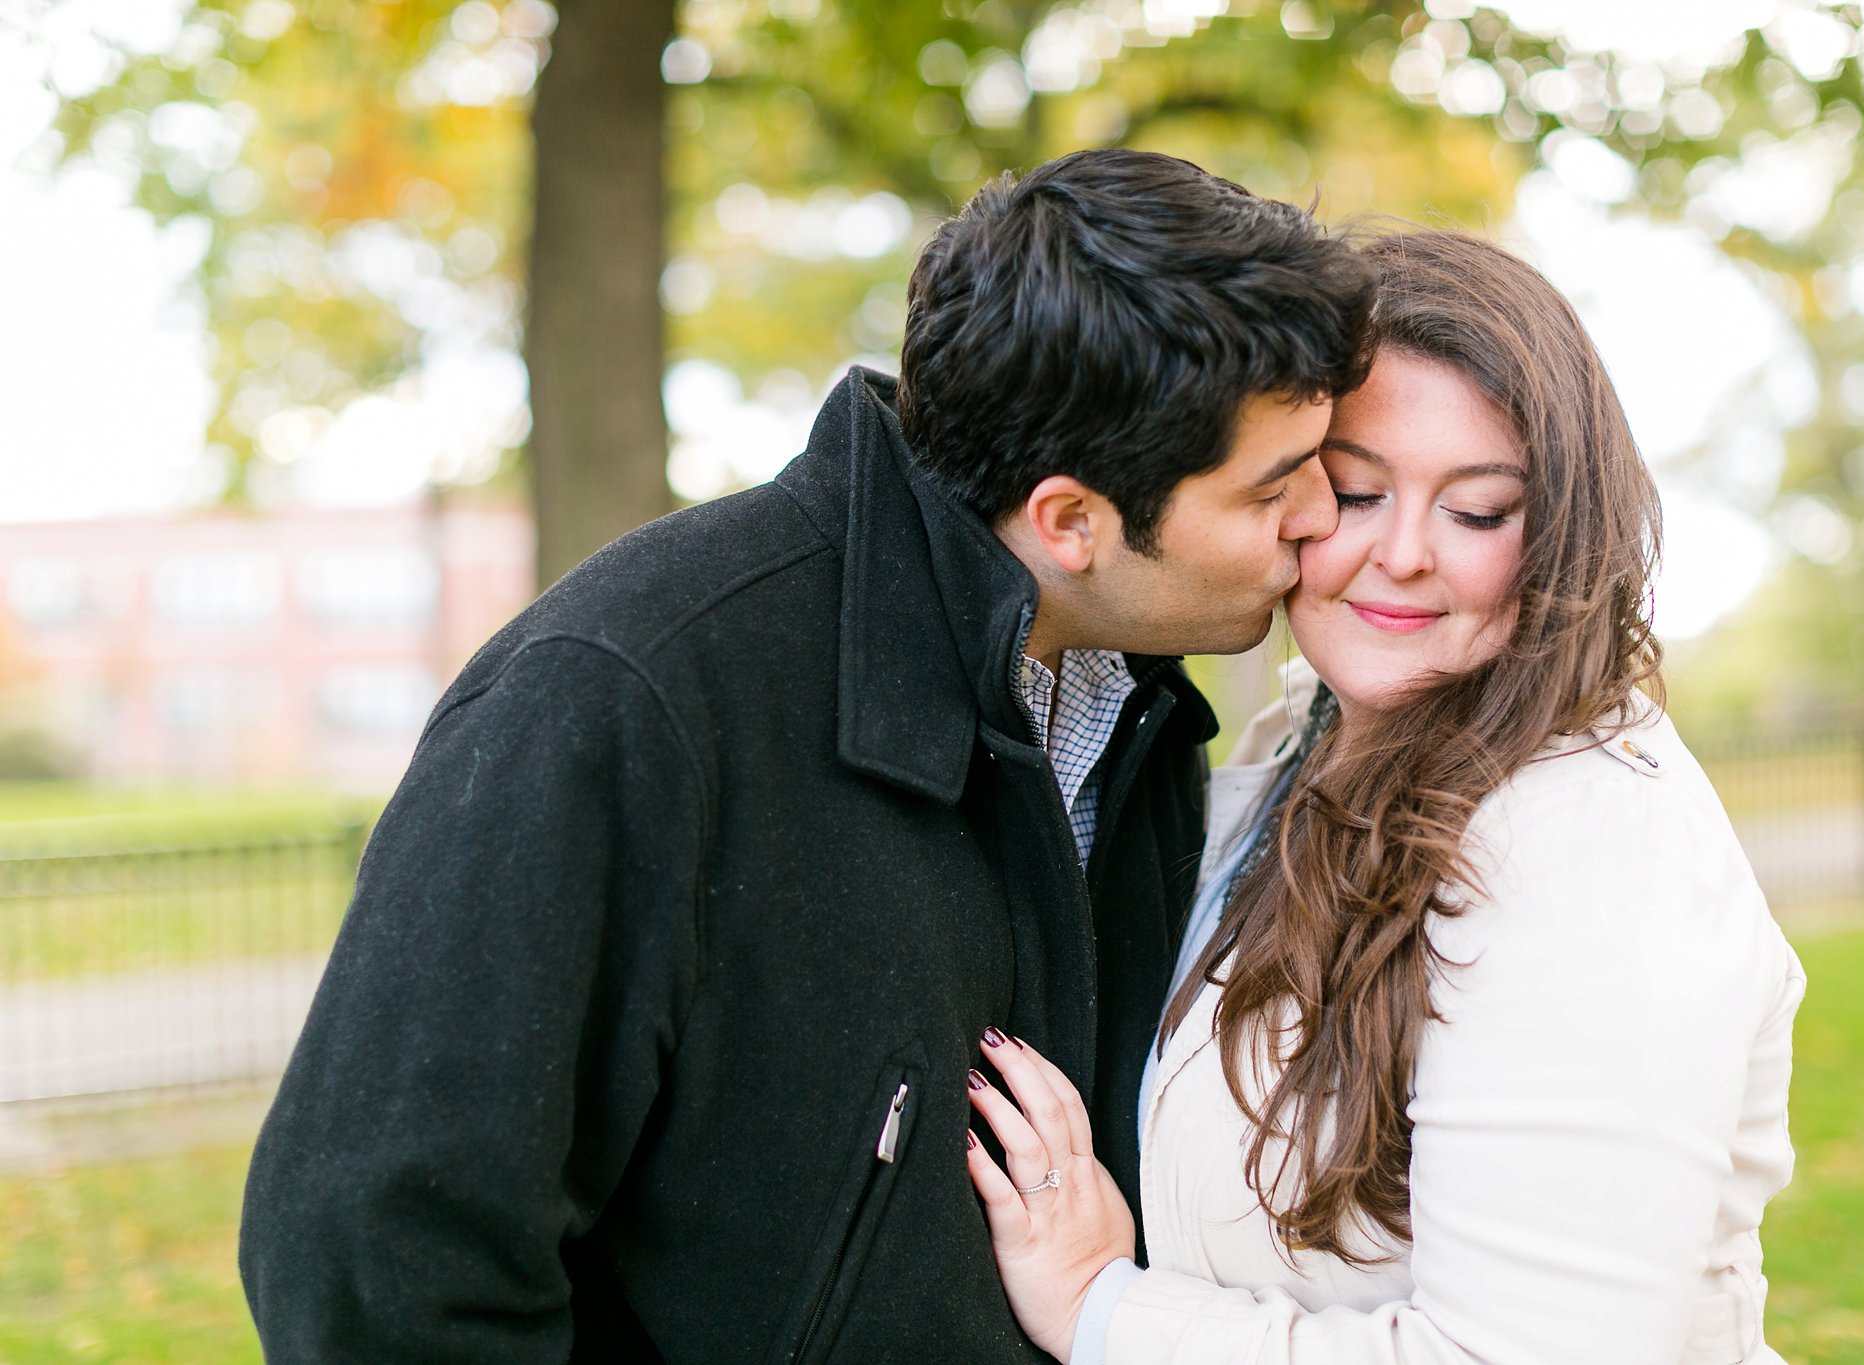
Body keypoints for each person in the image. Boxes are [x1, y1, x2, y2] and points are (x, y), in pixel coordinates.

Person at [238, 149, 1372, 1363]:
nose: (1319, 517)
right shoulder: (629, 692)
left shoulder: (1139, 717)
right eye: (1270, 491)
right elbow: (374, 1260)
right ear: (1070, 522)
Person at [965, 228, 1806, 1365]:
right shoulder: (1297, 750)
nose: (1401, 553)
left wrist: (1101, 1308)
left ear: (1556, 530)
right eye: (1352, 491)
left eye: (1474, 511)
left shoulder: (1584, 843)